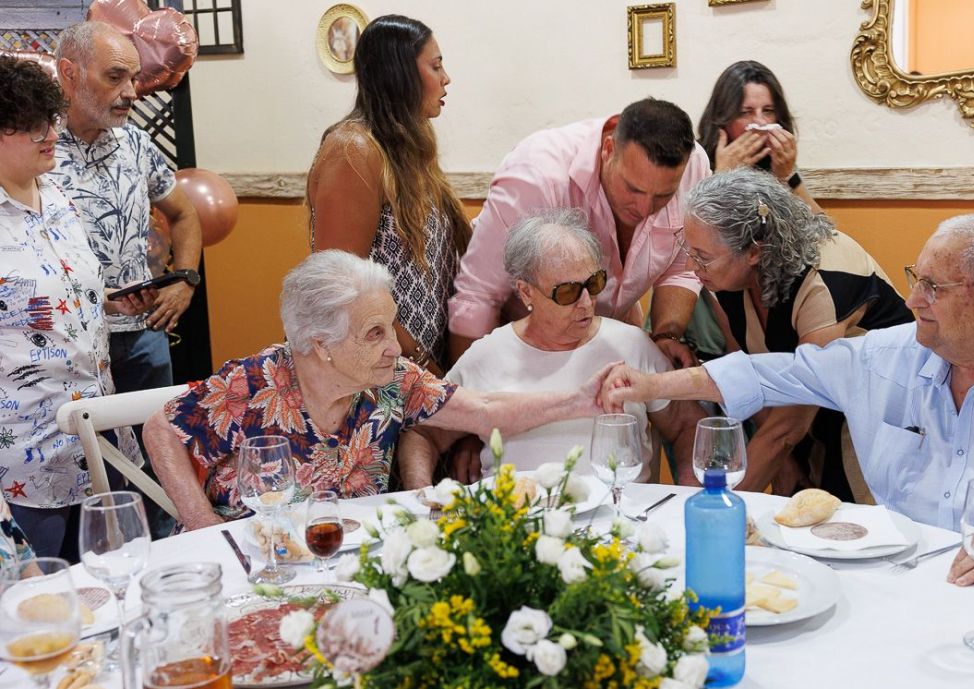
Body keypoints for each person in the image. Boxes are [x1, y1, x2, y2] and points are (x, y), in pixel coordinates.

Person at [601, 212, 974, 590]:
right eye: (915, 278)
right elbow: (773, 374)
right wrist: (651, 386)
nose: (912, 299)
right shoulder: (892, 354)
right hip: (911, 587)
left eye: (934, 287)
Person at [143, 251, 612, 531]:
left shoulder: (392, 384)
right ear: (321, 346)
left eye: (391, 327)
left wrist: (579, 399)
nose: (395, 348)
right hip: (254, 563)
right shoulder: (254, 384)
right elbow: (161, 429)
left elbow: (486, 409)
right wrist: (204, 529)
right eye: (374, 334)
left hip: (345, 561)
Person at [400, 209, 706, 485]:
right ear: (526, 292)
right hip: (517, 525)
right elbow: (424, 432)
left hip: (617, 522)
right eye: (568, 292)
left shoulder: (631, 345)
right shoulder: (487, 356)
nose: (586, 304)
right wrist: (422, 500)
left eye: (595, 284)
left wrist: (688, 502)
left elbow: (686, 425)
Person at [0, 55, 154, 559]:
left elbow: (58, 293)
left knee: (115, 579)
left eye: (51, 119)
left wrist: (108, 299)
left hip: (98, 428)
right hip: (26, 449)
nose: (51, 133)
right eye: (31, 126)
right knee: (42, 603)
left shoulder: (58, 196)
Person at [677, 169, 912, 496]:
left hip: (880, 416)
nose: (692, 268)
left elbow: (791, 421)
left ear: (755, 251)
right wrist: (786, 466)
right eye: (689, 251)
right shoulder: (722, 277)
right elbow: (747, 374)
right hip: (811, 413)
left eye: (701, 257)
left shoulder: (823, 280)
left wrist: (720, 509)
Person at [448, 98, 709, 369]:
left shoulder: (693, 165)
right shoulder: (536, 175)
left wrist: (666, 334)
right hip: (523, 354)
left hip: (611, 344)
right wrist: (469, 393)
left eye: (663, 196)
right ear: (609, 149)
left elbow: (681, 266)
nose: (645, 208)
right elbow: (478, 297)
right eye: (633, 189)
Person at [309, 14, 471, 376]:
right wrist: (419, 366)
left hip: (414, 372)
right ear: (399, 74)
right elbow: (342, 285)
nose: (446, 78)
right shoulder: (353, 149)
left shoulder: (411, 151)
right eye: (435, 65)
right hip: (372, 372)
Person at [52, 22, 203, 390]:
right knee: (88, 447)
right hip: (70, 339)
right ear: (69, 73)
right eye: (116, 77)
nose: (131, 92)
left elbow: (184, 214)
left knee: (155, 443)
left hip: (144, 336)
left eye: (133, 79)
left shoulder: (135, 143)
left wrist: (186, 279)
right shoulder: (36, 149)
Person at [697, 61, 822, 213]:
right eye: (745, 112)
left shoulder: (775, 160)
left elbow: (824, 229)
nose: (761, 122)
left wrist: (788, 175)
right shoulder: (697, 160)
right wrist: (721, 177)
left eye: (768, 111)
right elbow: (692, 231)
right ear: (723, 117)